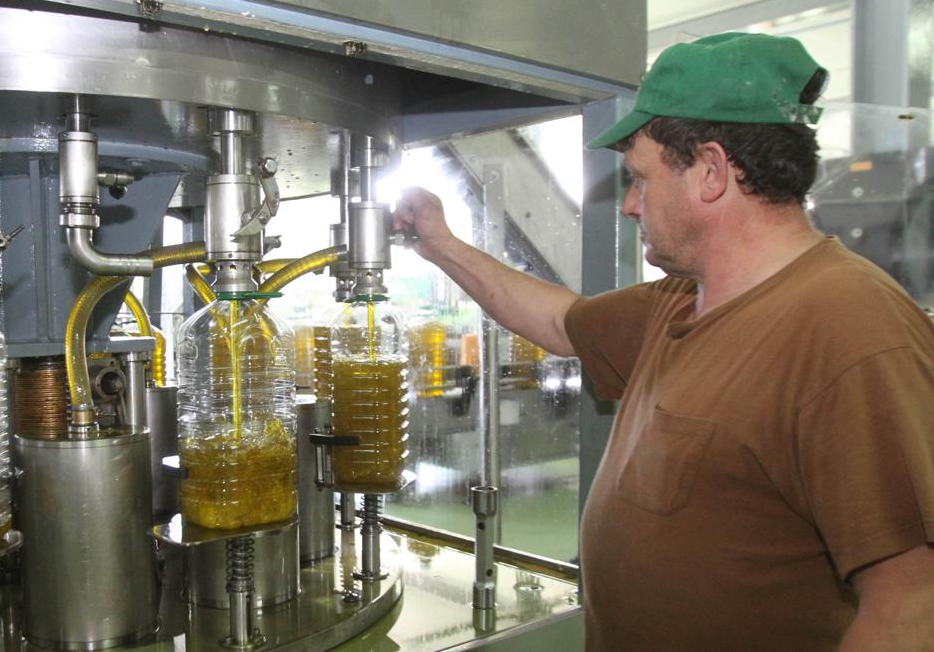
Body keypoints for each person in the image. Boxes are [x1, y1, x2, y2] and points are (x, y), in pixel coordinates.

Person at [393, 32, 934, 651]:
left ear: (710, 171)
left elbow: (911, 609)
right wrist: (437, 242)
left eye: (640, 179)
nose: (628, 205)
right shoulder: (682, 300)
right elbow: (559, 322)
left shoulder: (848, 329)